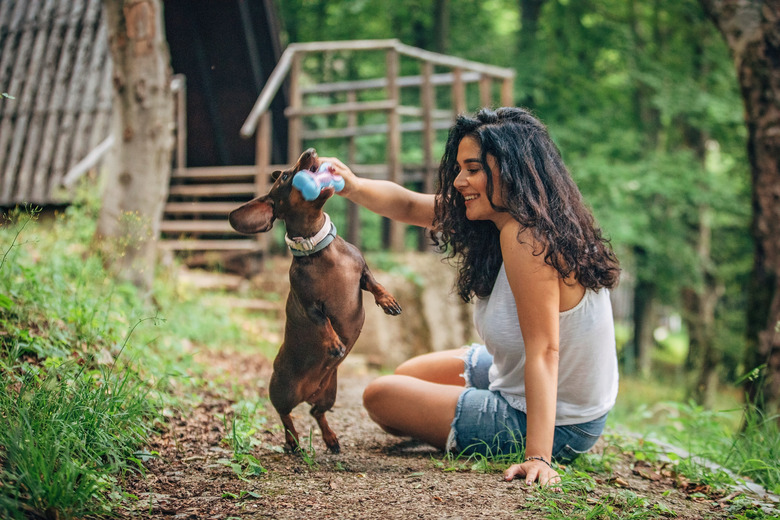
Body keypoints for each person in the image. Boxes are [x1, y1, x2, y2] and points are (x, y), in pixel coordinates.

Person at [318, 107, 620, 487]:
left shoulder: (529, 238)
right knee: (408, 375)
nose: (459, 181)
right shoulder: (510, 218)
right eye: (460, 168)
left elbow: (545, 350)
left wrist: (538, 457)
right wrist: (350, 183)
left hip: (564, 423)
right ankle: (469, 411)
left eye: (473, 169)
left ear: (513, 171)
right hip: (518, 377)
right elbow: (410, 205)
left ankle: (511, 429)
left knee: (381, 395)